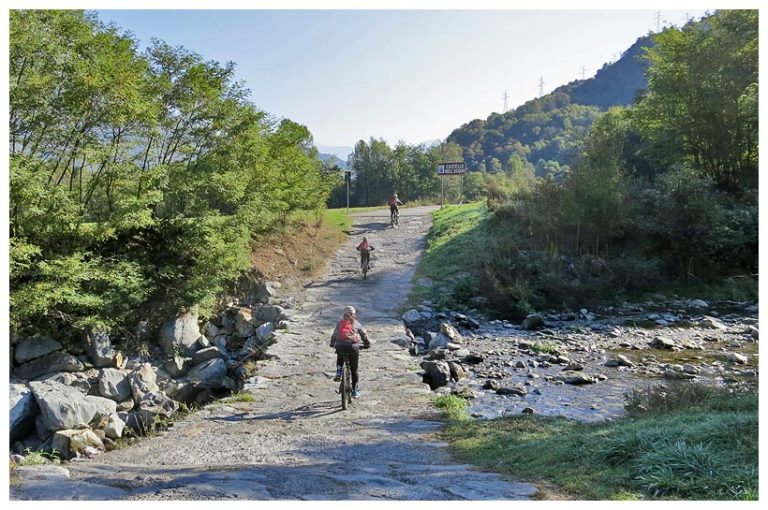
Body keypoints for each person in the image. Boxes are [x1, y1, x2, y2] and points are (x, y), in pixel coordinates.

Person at [329, 306, 371, 398]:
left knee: (339, 352)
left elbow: (335, 335)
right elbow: (364, 335)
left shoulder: (340, 323)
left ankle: (339, 371)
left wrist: (332, 344)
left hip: (340, 346)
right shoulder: (356, 323)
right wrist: (367, 344)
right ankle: (355, 390)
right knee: (354, 369)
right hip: (353, 347)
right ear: (354, 314)